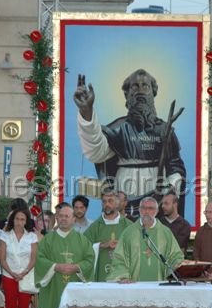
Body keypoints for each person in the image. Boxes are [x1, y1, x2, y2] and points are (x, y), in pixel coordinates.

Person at [74, 70, 187, 216]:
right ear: (127, 94)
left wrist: (169, 187)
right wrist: (86, 111)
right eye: (135, 87)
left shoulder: (165, 130)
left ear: (153, 93)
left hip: (157, 198)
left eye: (145, 86)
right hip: (124, 197)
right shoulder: (118, 129)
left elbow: (176, 166)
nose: (140, 91)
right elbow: (96, 151)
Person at [34, 205, 94, 308]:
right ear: (57, 218)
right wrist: (56, 266)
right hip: (52, 288)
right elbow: (39, 259)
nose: (63, 219)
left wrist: (76, 267)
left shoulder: (82, 240)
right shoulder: (48, 240)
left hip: (75, 288)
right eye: (60, 216)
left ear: (74, 219)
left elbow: (89, 260)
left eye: (67, 216)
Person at [107, 197, 184, 282]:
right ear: (139, 210)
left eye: (151, 208)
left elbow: (175, 255)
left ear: (157, 211)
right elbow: (119, 258)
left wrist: (176, 264)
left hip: (159, 284)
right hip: (134, 285)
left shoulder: (165, 233)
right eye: (143, 208)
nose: (147, 212)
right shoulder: (128, 233)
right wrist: (123, 277)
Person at [0, 208, 37, 308]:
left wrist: (24, 273)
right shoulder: (5, 236)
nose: (19, 222)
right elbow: (2, 258)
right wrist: (12, 273)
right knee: (9, 307)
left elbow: (33, 259)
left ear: (26, 221)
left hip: (25, 277)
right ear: (12, 220)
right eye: (17, 219)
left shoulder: (32, 236)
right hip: (9, 276)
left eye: (22, 219)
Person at [84, 190, 133, 281]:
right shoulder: (95, 227)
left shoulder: (129, 226)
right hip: (100, 275)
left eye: (110, 201)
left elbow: (136, 249)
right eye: (104, 201)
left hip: (123, 278)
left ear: (117, 203)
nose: (107, 204)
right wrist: (101, 245)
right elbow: (83, 248)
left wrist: (123, 245)